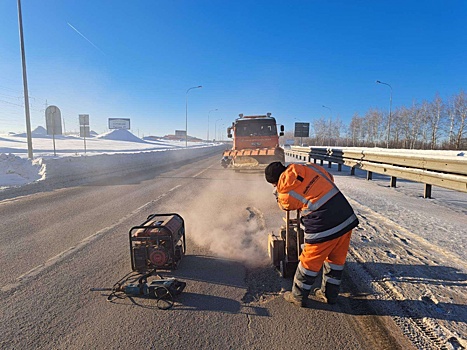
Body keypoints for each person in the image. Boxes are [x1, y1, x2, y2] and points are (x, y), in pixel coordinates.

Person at [265, 161, 359, 307]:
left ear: (275, 182)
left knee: (309, 261)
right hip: (345, 217)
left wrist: (276, 192)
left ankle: (297, 296)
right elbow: (330, 177)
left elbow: (285, 206)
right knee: (335, 259)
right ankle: (329, 295)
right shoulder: (309, 167)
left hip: (323, 225)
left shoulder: (284, 191)